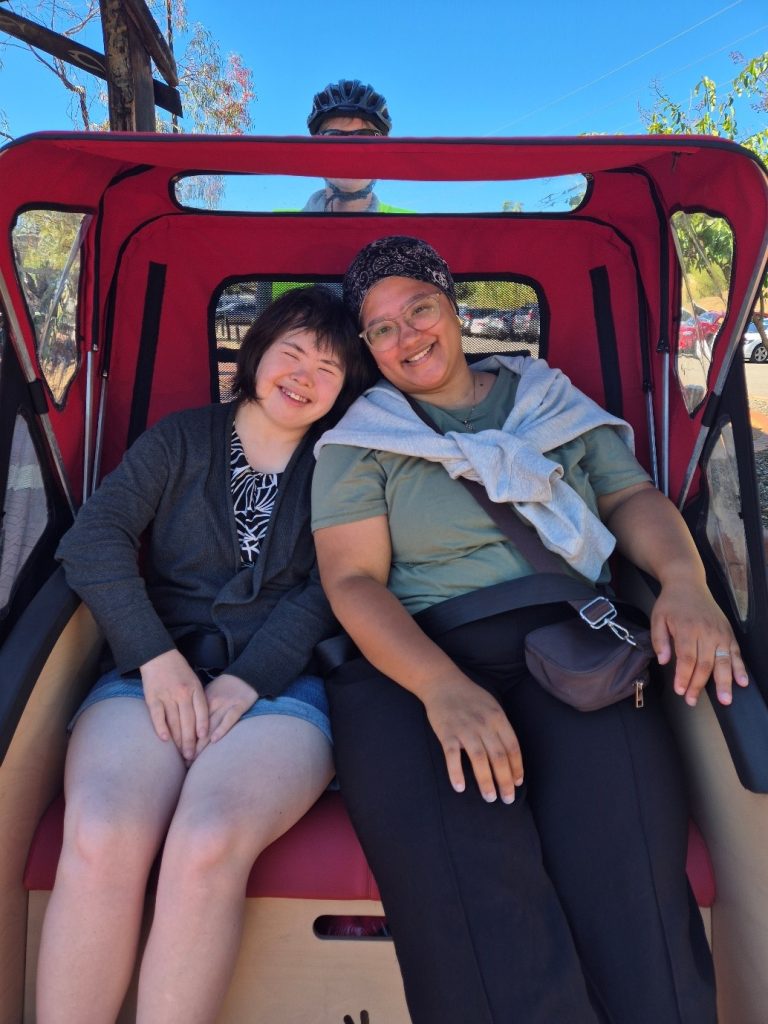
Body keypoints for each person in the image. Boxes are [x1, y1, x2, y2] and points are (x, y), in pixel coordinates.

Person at [311, 236, 750, 1024]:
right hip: (416, 662)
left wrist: (685, 582)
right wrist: (442, 686)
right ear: (368, 347)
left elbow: (631, 500)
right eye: (380, 328)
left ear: (453, 307)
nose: (407, 336)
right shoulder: (361, 440)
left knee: (631, 891)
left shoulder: (548, 399)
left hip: (572, 639)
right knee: (475, 905)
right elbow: (351, 582)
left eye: (419, 309)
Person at [36, 286, 375, 1024]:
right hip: (148, 671)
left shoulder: (344, 464)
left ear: (345, 388)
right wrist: (154, 658)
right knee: (102, 832)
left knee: (207, 841)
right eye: (291, 349)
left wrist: (250, 680)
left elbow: (336, 586)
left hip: (285, 687)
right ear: (255, 354)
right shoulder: (181, 438)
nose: (304, 373)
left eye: (328, 364)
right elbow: (92, 541)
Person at [304, 78, 396, 213]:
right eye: (333, 138)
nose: (349, 152)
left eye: (365, 138)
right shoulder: (280, 228)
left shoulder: (412, 229)